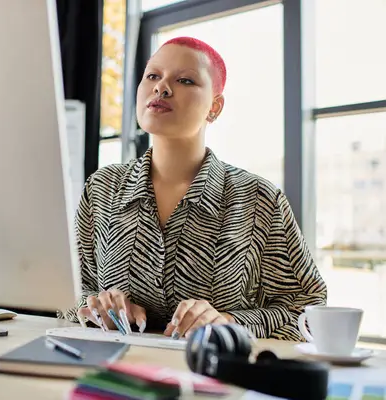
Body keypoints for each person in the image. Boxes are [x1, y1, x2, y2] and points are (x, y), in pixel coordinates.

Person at [60, 36, 327, 341]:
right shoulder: (102, 188)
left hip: (213, 377)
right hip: (110, 372)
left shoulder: (258, 200)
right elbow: (68, 295)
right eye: (152, 76)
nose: (161, 87)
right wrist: (94, 305)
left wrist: (228, 322)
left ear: (215, 107)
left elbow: (307, 309)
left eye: (185, 80)